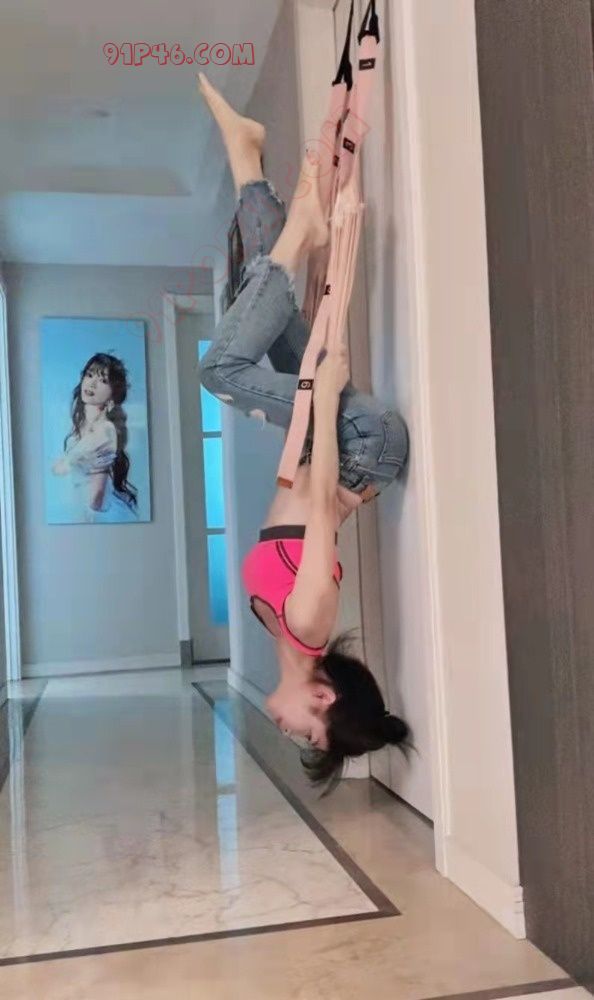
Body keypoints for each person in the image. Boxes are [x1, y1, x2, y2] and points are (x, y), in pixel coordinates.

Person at [197, 72, 412, 791]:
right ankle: (293, 218)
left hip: (335, 454)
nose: (290, 729)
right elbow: (318, 505)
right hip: (355, 445)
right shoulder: (309, 624)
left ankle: (248, 161)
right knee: (222, 369)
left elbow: (320, 515)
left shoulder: (283, 637)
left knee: (268, 305)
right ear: (323, 699)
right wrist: (322, 401)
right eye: (308, 733)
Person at [52, 352, 139, 524]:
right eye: (89, 375)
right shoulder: (81, 427)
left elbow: (97, 492)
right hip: (82, 509)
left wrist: (87, 518)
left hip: (96, 514)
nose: (92, 383)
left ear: (113, 395)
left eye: (103, 380)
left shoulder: (105, 430)